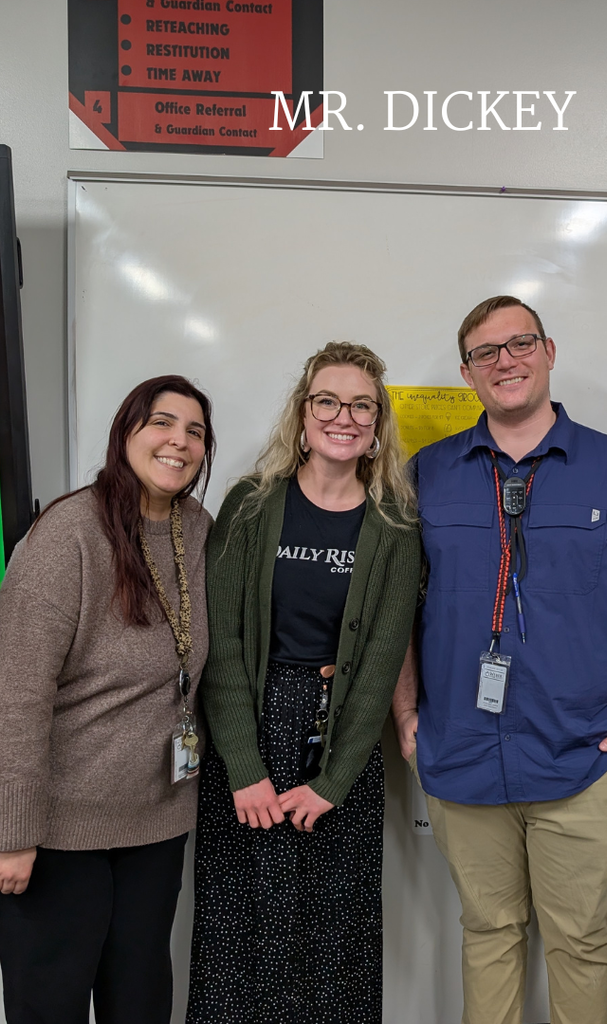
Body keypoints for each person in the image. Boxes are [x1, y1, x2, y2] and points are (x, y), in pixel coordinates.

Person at [392, 296, 607, 1024]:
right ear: (467, 373)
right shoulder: (426, 475)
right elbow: (395, 611)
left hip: (585, 759)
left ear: (549, 352)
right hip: (461, 754)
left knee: (580, 941)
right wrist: (406, 717)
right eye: (486, 353)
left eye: (520, 343)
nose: (506, 362)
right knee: (487, 934)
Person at [0, 375, 216, 1024]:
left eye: (195, 432)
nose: (179, 442)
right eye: (161, 423)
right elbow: (16, 696)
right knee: (52, 1002)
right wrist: (11, 834)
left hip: (151, 815)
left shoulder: (196, 528)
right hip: (53, 817)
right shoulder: (67, 534)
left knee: (141, 998)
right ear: (125, 432)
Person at [187, 342, 421, 1024]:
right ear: (303, 411)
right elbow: (223, 645)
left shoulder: (396, 525)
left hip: (342, 744)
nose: (343, 416)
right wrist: (244, 769)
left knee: (334, 932)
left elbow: (381, 661)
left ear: (377, 424)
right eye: (328, 400)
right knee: (241, 925)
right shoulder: (250, 505)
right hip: (249, 738)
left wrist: (333, 782)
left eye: (361, 405)